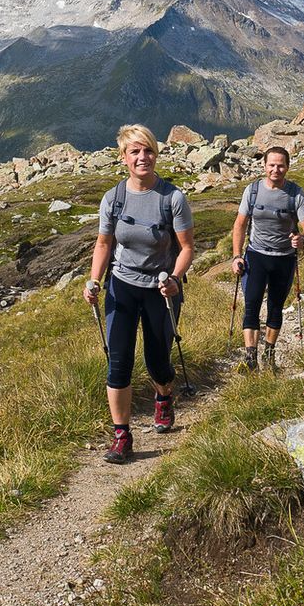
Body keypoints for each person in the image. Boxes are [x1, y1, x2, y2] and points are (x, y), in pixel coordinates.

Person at [83, 125, 195, 464]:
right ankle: (122, 436)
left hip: (161, 290)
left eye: (147, 150)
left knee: (158, 362)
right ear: (124, 157)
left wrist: (175, 278)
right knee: (118, 363)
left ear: (155, 154)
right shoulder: (114, 198)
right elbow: (104, 243)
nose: (142, 157)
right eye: (135, 151)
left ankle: (163, 396)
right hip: (122, 287)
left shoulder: (172, 198)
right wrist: (94, 280)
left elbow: (188, 247)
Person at [231, 146, 304, 370]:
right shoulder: (253, 190)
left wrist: (302, 238)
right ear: (264, 166)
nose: (275, 169)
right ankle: (251, 358)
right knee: (251, 306)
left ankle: (269, 354)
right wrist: (237, 256)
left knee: (276, 307)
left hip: (284, 259)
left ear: (287, 167)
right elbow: (239, 225)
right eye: (271, 165)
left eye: (280, 165)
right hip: (256, 256)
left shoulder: (296, 194)